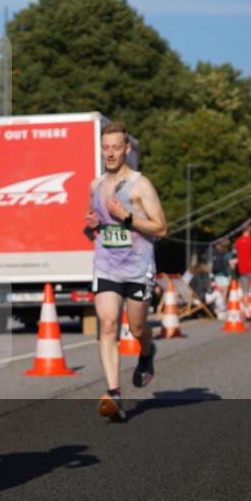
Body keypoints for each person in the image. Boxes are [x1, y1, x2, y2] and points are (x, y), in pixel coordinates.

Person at [84, 122, 167, 421]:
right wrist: (92, 224)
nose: (110, 153)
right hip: (106, 264)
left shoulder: (141, 185)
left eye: (116, 147)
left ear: (127, 149)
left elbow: (161, 227)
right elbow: (93, 227)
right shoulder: (95, 185)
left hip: (138, 268)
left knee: (137, 329)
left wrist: (128, 217)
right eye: (105, 147)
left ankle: (147, 352)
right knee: (107, 326)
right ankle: (114, 394)